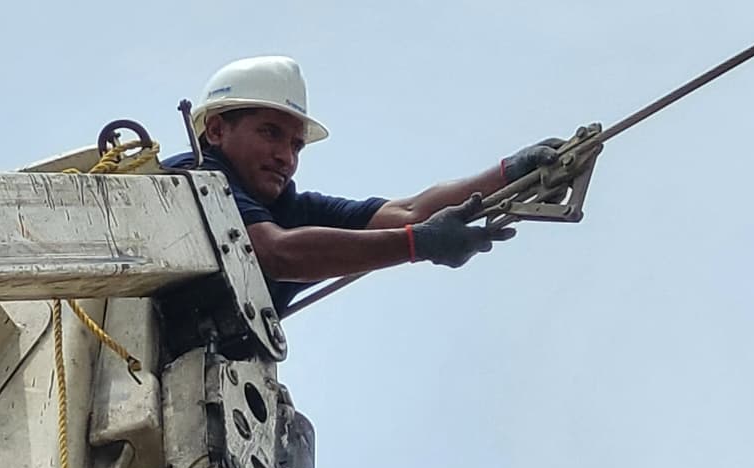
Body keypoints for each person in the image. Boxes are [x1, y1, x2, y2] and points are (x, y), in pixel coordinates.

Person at [165, 56, 562, 314]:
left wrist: (511, 172)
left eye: (296, 144)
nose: (286, 157)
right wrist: (418, 243)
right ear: (216, 130)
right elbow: (275, 254)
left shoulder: (290, 209)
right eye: (270, 133)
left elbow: (408, 214)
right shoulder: (192, 177)